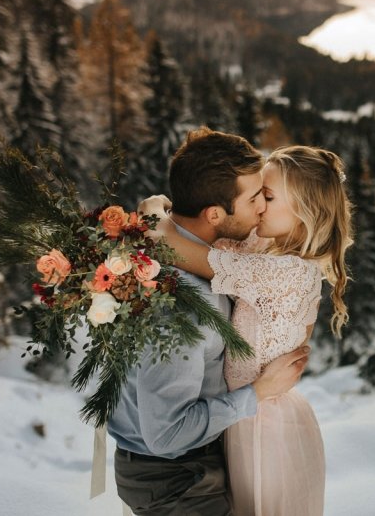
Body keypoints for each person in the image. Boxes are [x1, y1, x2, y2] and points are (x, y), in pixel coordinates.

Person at [107, 128, 311, 516]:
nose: (262, 210)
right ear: (215, 213)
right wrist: (258, 393)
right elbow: (167, 434)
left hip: (184, 466)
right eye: (255, 199)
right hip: (176, 478)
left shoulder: (199, 254)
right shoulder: (183, 303)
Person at [142, 145, 353, 516]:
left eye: (267, 197)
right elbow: (214, 229)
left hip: (267, 427)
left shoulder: (288, 273)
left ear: (305, 212)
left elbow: (179, 249)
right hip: (246, 416)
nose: (258, 206)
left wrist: (154, 212)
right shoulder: (264, 244)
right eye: (256, 195)